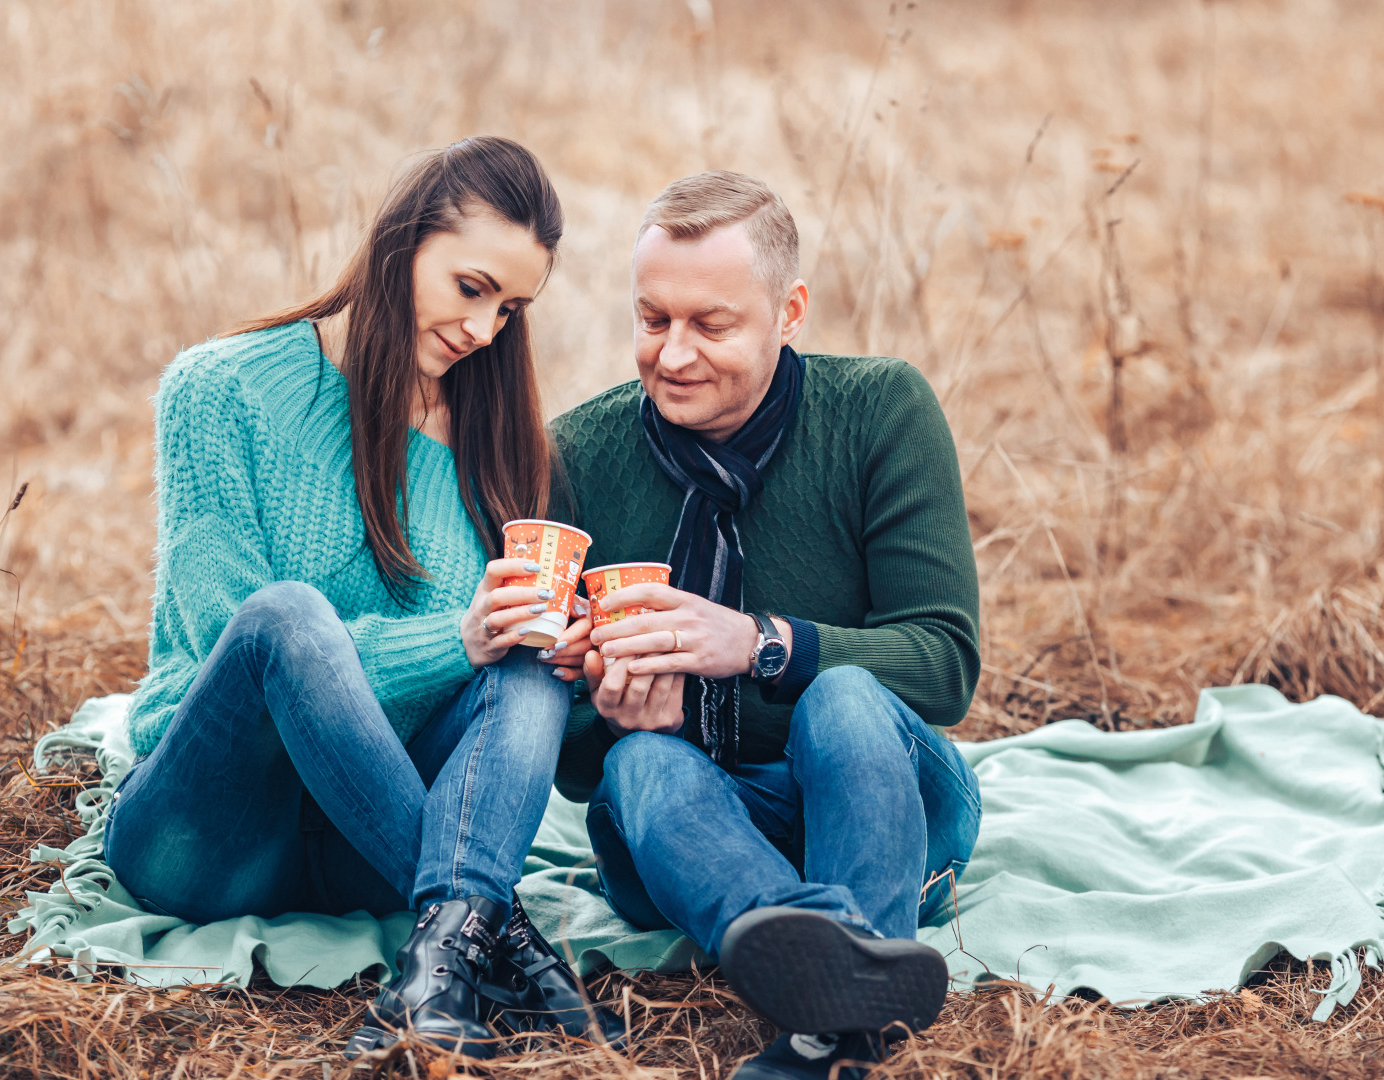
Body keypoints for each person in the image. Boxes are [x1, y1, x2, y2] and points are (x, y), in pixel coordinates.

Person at [102, 137, 624, 1061]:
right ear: (400, 242)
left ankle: (443, 953)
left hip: (373, 854)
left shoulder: (496, 445)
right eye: (470, 288)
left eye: (510, 308)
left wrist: (577, 666)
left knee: (531, 658)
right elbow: (240, 645)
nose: (484, 331)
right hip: (212, 836)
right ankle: (494, 935)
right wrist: (453, 642)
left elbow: (498, 718)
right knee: (289, 615)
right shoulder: (219, 390)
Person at [542, 171, 983, 1080]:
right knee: (639, 763)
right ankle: (837, 992)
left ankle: (831, 1004)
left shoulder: (880, 412)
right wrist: (609, 711)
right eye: (652, 318)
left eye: (711, 324)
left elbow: (944, 666)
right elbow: (577, 762)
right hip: (691, 838)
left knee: (845, 696)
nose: (672, 354)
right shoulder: (578, 455)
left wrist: (759, 643)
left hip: (887, 805)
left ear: (790, 312)